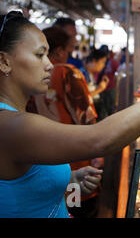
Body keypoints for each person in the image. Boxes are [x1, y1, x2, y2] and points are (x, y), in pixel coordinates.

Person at [0, 11, 140, 218]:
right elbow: (100, 138)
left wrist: (70, 182)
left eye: (48, 54)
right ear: (4, 61)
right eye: (39, 55)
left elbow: (27, 194)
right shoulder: (11, 126)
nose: (49, 65)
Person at [29, 26, 103, 218]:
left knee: (58, 207)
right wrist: (98, 151)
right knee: (79, 208)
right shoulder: (67, 72)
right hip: (75, 161)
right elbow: (86, 115)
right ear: (60, 50)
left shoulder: (29, 79)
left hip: (43, 164)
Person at [84, 48, 109, 121]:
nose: (103, 65)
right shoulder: (84, 75)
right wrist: (99, 89)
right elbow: (85, 97)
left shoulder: (90, 73)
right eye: (102, 62)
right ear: (94, 61)